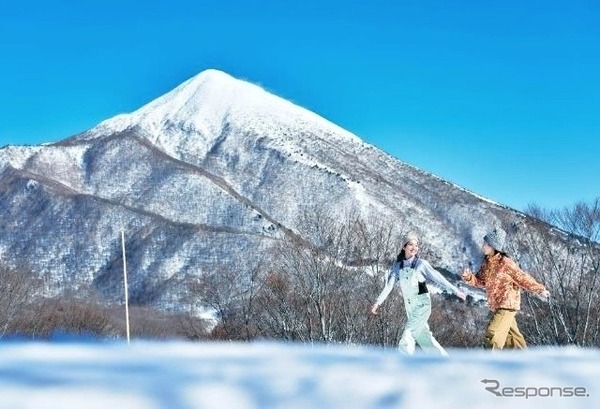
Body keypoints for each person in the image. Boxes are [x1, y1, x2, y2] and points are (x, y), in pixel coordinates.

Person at [370, 232, 466, 356]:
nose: (414, 247)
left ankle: (404, 363)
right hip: (410, 307)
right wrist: (377, 303)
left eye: (416, 245)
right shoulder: (397, 266)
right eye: (411, 244)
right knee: (424, 338)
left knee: (408, 334)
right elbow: (389, 286)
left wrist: (455, 291)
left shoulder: (421, 264)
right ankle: (443, 360)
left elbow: (438, 278)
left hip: (422, 305)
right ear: (404, 247)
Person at [461, 227, 550, 349]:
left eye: (486, 244)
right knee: (513, 341)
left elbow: (522, 278)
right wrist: (468, 277)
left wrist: (540, 289)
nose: (483, 246)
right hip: (497, 306)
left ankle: (490, 363)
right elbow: (480, 281)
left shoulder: (506, 263)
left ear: (493, 246)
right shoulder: (487, 264)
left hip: (507, 305)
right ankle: (526, 364)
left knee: (493, 333)